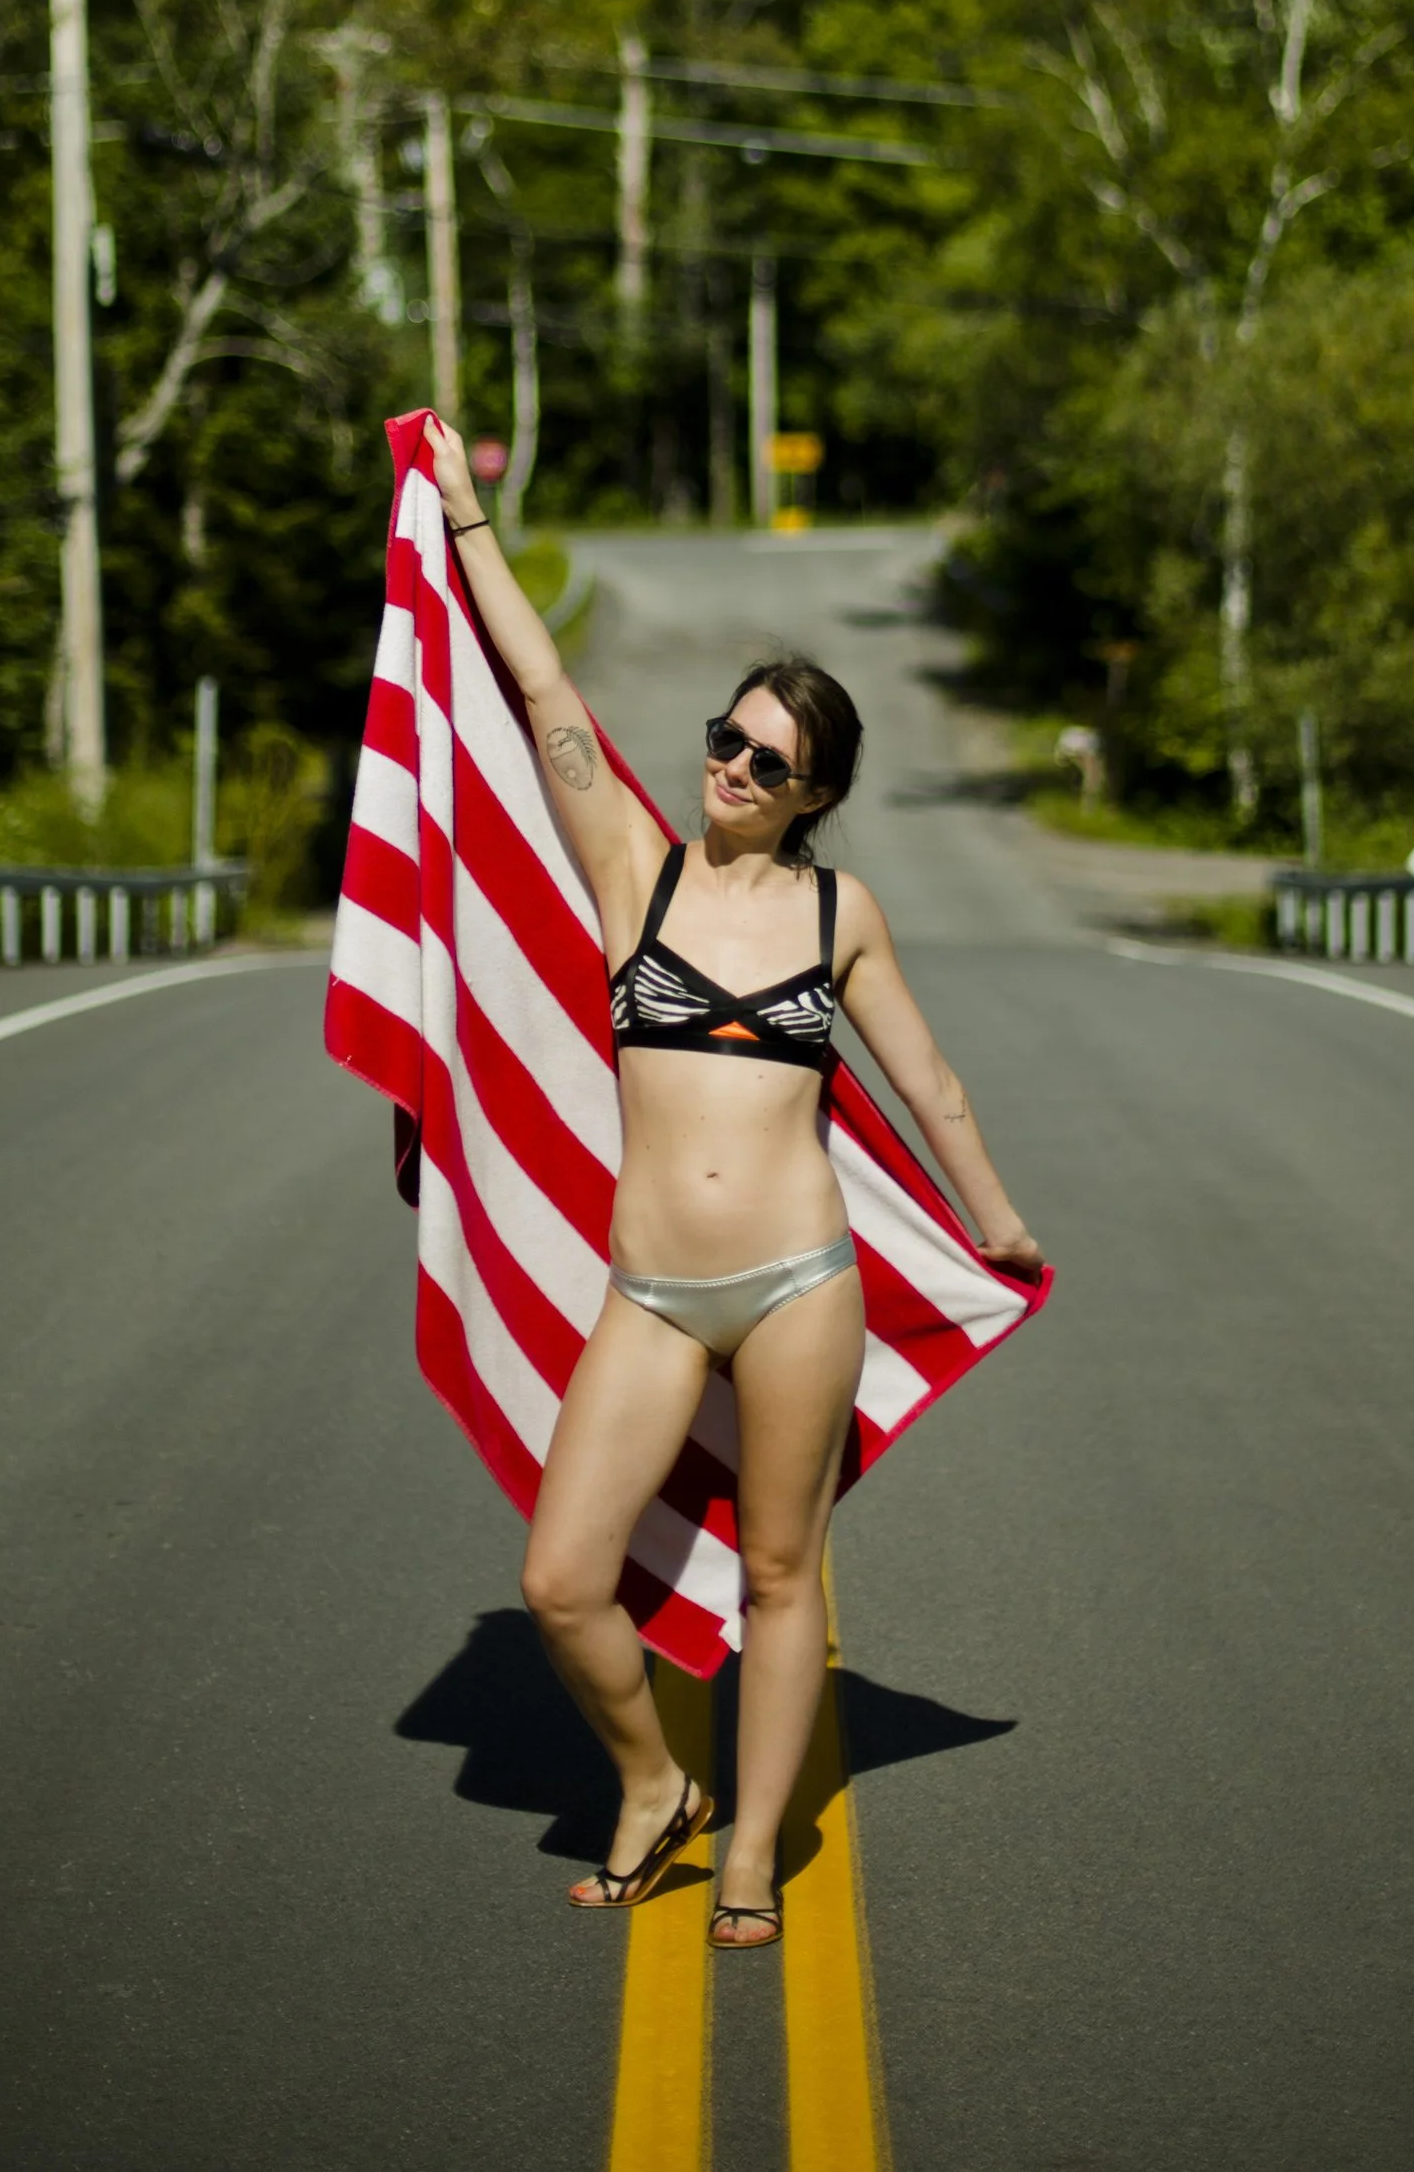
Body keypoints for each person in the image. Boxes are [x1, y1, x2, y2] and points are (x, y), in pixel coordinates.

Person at [424, 417, 1044, 1952]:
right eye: (724, 732)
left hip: (795, 1290)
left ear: (812, 788)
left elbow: (930, 1084)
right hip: (647, 1292)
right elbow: (549, 698)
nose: (732, 762)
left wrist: (999, 1219)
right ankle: (653, 1784)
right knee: (562, 1577)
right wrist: (468, 524)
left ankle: (754, 1848)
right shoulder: (635, 869)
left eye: (769, 757)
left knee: (782, 1582)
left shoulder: (840, 911)